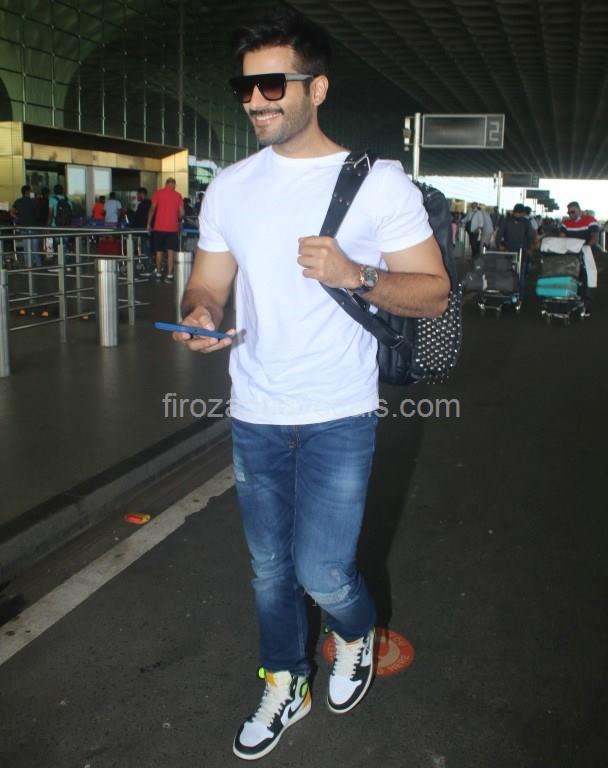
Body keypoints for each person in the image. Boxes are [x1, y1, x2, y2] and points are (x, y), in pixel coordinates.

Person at [173, 8, 449, 761]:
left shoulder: (377, 182)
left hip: (339, 411)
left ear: (316, 88)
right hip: (254, 409)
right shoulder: (230, 188)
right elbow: (208, 285)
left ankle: (355, 634)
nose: (255, 101)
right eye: (245, 87)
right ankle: (285, 679)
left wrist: (356, 274)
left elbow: (433, 293)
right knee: (268, 570)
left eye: (273, 85)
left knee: (322, 572)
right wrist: (201, 317)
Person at [147, 177, 184, 282]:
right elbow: (182, 213)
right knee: (171, 252)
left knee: (159, 251)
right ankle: (169, 275)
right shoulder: (178, 195)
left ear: (165, 184)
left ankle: (158, 274)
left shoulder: (158, 193)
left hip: (159, 228)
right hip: (172, 229)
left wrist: (148, 224)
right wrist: (178, 219)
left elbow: (152, 209)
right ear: (174, 185)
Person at [495, 203, 536, 288]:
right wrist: (530, 249)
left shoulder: (506, 221)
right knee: (520, 274)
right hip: (522, 252)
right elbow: (530, 236)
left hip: (508, 251)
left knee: (507, 273)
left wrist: (499, 246)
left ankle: (507, 290)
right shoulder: (526, 222)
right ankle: (519, 293)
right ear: (522, 213)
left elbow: (499, 235)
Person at [10, 185, 41, 267]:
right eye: (31, 191)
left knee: (26, 248)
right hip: (34, 227)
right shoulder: (34, 201)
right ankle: (38, 265)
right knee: (35, 249)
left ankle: (28, 265)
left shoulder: (18, 201)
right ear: (28, 192)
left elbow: (11, 213)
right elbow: (38, 215)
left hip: (23, 227)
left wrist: (18, 218)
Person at [129, 187, 153, 275]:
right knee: (146, 250)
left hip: (142, 230)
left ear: (142, 194)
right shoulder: (150, 203)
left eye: (138, 194)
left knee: (145, 250)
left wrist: (129, 212)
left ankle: (148, 269)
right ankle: (148, 268)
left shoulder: (143, 205)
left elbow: (138, 217)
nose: (137, 196)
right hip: (147, 230)